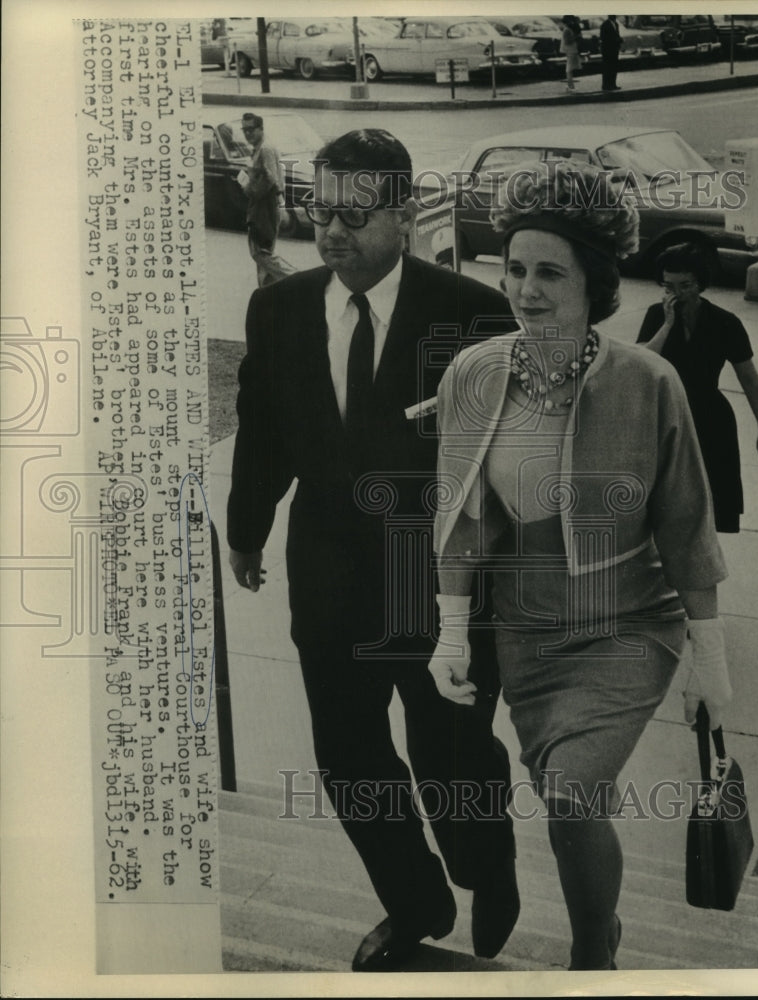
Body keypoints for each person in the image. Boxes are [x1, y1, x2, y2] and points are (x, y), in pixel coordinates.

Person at [227, 129, 520, 972]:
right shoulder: (279, 307)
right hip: (324, 571)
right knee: (348, 756)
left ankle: (483, 864)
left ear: (402, 216)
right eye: (321, 210)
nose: (331, 231)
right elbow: (264, 427)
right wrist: (248, 529)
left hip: (436, 577)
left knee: (450, 749)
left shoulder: (471, 314)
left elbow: (507, 457)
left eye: (354, 215)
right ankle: (415, 901)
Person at [428, 162, 732, 971]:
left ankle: (592, 952)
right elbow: (458, 516)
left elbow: (686, 529)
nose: (524, 290)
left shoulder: (649, 382)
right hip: (526, 631)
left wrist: (711, 661)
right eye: (514, 268)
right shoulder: (472, 373)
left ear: (594, 284)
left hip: (628, 623)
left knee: (569, 795)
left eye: (548, 273)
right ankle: (599, 930)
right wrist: (451, 635)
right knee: (561, 802)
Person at [637, 242, 758, 532]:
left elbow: (748, 377)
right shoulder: (656, 315)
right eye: (669, 286)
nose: (677, 294)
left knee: (710, 504)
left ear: (701, 284)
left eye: (685, 285)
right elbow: (642, 363)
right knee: (662, 502)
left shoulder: (726, 323)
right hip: (665, 413)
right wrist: (667, 324)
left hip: (711, 418)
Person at [240, 112, 292, 288]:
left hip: (265, 206)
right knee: (264, 253)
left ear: (261, 129)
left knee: (259, 252)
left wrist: (250, 188)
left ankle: (295, 277)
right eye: (244, 130)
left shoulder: (265, 149)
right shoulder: (260, 148)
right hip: (264, 205)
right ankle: (265, 293)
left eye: (251, 130)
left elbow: (271, 179)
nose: (247, 134)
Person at [600, 14, 622, 91]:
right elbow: (603, 37)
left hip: (614, 49)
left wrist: (619, 40)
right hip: (607, 50)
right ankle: (606, 85)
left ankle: (613, 84)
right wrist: (616, 40)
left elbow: (617, 35)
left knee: (614, 67)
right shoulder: (605, 24)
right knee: (607, 68)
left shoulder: (616, 24)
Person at [560, 16, 583, 93]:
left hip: (571, 50)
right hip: (570, 50)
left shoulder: (568, 29)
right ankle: (571, 87)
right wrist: (577, 37)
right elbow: (568, 41)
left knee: (570, 69)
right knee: (569, 69)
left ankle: (570, 86)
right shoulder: (567, 30)